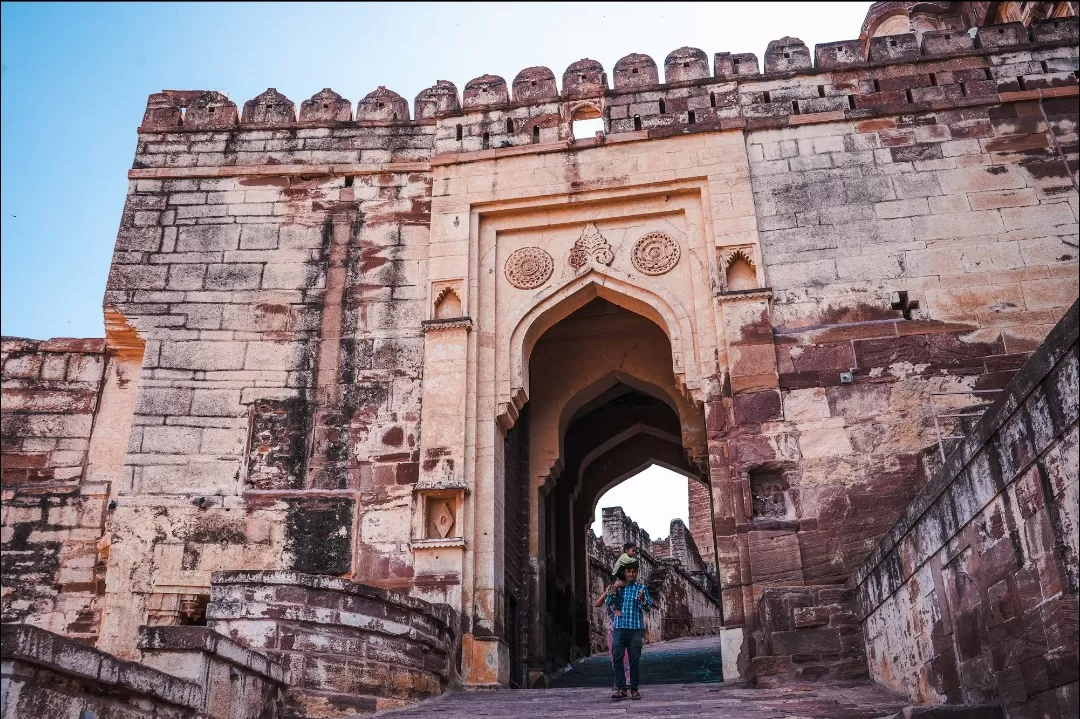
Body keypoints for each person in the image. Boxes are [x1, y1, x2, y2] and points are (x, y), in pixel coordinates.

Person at [605, 563, 653, 700]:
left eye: (633, 572)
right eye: (628, 572)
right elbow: (608, 602)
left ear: (637, 573)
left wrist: (643, 599)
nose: (631, 574)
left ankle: (634, 689)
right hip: (619, 628)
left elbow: (648, 607)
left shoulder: (641, 588)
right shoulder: (618, 588)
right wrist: (614, 587)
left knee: (634, 661)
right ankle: (621, 689)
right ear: (624, 573)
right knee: (617, 658)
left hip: (635, 630)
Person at [594, 576, 631, 689]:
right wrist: (607, 592)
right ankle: (619, 681)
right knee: (615, 657)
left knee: (627, 657)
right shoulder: (610, 595)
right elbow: (597, 604)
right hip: (613, 631)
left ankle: (628, 681)